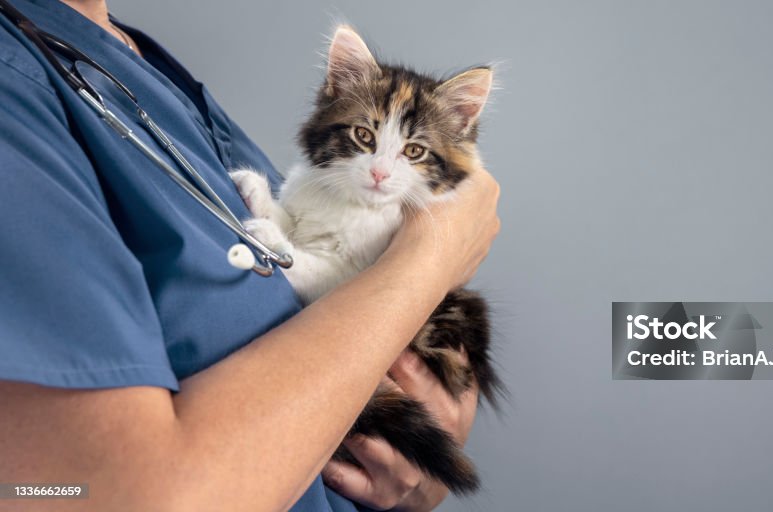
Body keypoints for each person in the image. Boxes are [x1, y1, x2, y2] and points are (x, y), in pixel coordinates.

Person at [0, 0, 500, 510]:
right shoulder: (15, 85)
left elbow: (416, 452)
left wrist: (420, 473)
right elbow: (88, 493)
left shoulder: (146, 67)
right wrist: (430, 259)